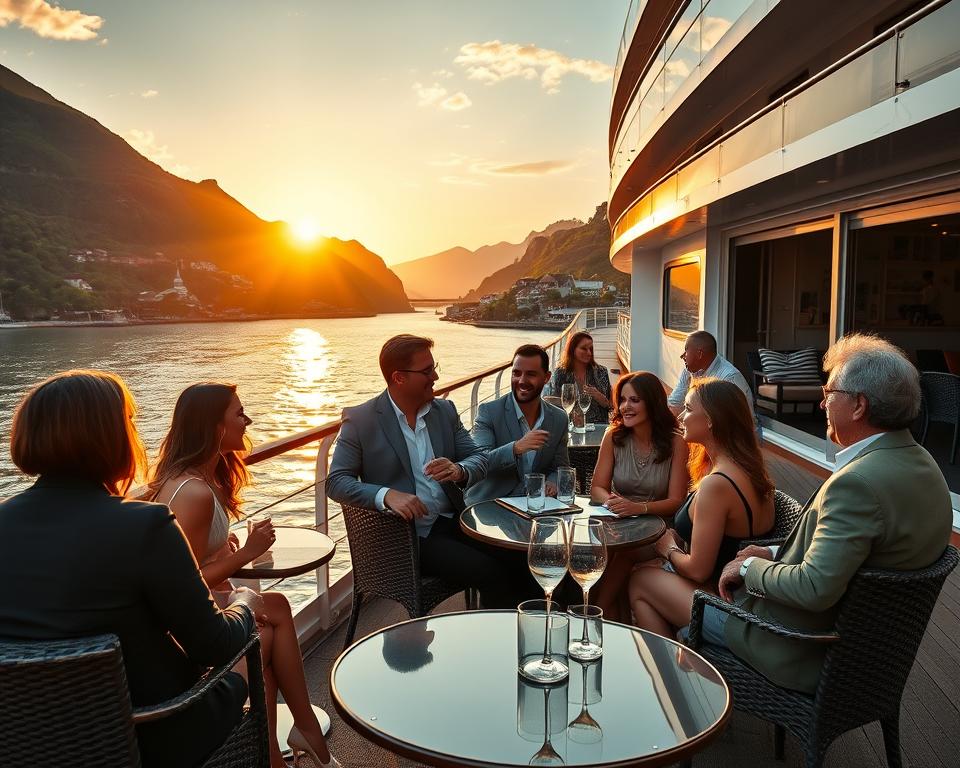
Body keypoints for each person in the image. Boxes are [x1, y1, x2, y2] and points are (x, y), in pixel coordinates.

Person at [0, 370, 261, 768]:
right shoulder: (145, 525)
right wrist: (244, 601)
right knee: (260, 638)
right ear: (108, 436)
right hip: (154, 729)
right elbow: (215, 645)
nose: (136, 436)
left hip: (30, 744)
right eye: (130, 422)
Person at [713, 334, 953, 695]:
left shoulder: (858, 483)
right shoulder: (924, 464)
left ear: (858, 406)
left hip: (803, 648)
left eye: (830, 393)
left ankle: (696, 715)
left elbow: (813, 588)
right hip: (869, 653)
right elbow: (852, 555)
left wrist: (747, 567)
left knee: (656, 592)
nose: (822, 403)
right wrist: (773, 552)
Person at [148, 383, 339, 768]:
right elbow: (187, 584)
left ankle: (274, 753)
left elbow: (189, 559)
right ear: (214, 426)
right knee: (275, 619)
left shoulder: (198, 478)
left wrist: (223, 546)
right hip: (182, 633)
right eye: (239, 413)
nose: (247, 420)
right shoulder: (194, 493)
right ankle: (302, 734)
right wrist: (246, 554)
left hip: (187, 615)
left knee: (271, 627)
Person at [327, 334, 522, 608]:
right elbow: (336, 482)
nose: (436, 377)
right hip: (405, 538)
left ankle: (538, 626)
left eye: (434, 367)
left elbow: (480, 457)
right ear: (399, 378)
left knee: (521, 557)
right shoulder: (361, 420)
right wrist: (386, 495)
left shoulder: (444, 411)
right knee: (491, 572)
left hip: (453, 520)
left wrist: (459, 470)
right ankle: (501, 632)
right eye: (427, 371)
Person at [629, 378, 774, 638]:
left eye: (687, 408)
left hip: (732, 611)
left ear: (710, 420)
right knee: (639, 570)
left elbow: (698, 570)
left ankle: (672, 660)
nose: (680, 416)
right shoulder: (751, 471)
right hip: (749, 598)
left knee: (639, 581)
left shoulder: (717, 484)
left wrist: (668, 549)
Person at [588, 371, 690, 621]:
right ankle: (612, 620)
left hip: (659, 528)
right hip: (619, 521)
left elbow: (676, 501)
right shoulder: (613, 436)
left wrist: (638, 507)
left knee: (625, 552)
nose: (625, 407)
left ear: (652, 403)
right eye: (622, 400)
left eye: (634, 400)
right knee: (599, 549)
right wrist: (612, 503)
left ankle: (597, 609)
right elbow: (597, 488)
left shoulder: (676, 442)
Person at [466, 344, 570, 505]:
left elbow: (560, 467)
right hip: (491, 505)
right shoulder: (489, 412)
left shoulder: (559, 418)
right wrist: (516, 448)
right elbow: (478, 462)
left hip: (536, 505)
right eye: (516, 373)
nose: (522, 381)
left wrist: (552, 481)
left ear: (547, 377)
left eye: (531, 374)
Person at [667, 331, 755, 424]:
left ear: (699, 354)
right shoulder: (690, 370)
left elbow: (731, 423)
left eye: (686, 350)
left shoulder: (729, 379)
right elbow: (674, 405)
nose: (682, 356)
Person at [550, 331, 612, 424]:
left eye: (591, 349)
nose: (589, 353)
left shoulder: (601, 372)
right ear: (572, 349)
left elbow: (610, 406)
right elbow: (554, 404)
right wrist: (571, 415)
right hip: (570, 426)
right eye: (584, 348)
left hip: (598, 427)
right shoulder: (560, 373)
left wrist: (599, 396)